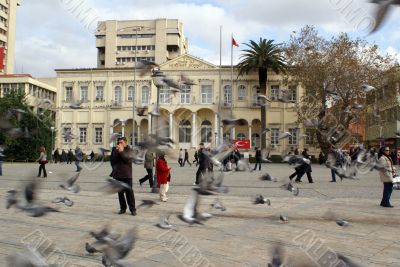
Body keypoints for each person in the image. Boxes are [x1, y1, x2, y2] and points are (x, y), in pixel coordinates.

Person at [110, 137, 137, 215]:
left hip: (127, 175)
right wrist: (117, 152)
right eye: (118, 142)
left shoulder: (130, 150)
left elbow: (127, 160)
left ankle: (132, 209)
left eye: (121, 142)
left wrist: (121, 152)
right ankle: (123, 208)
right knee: (120, 193)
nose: (119, 144)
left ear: (125, 143)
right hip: (118, 175)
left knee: (129, 193)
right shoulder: (115, 150)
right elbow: (112, 161)